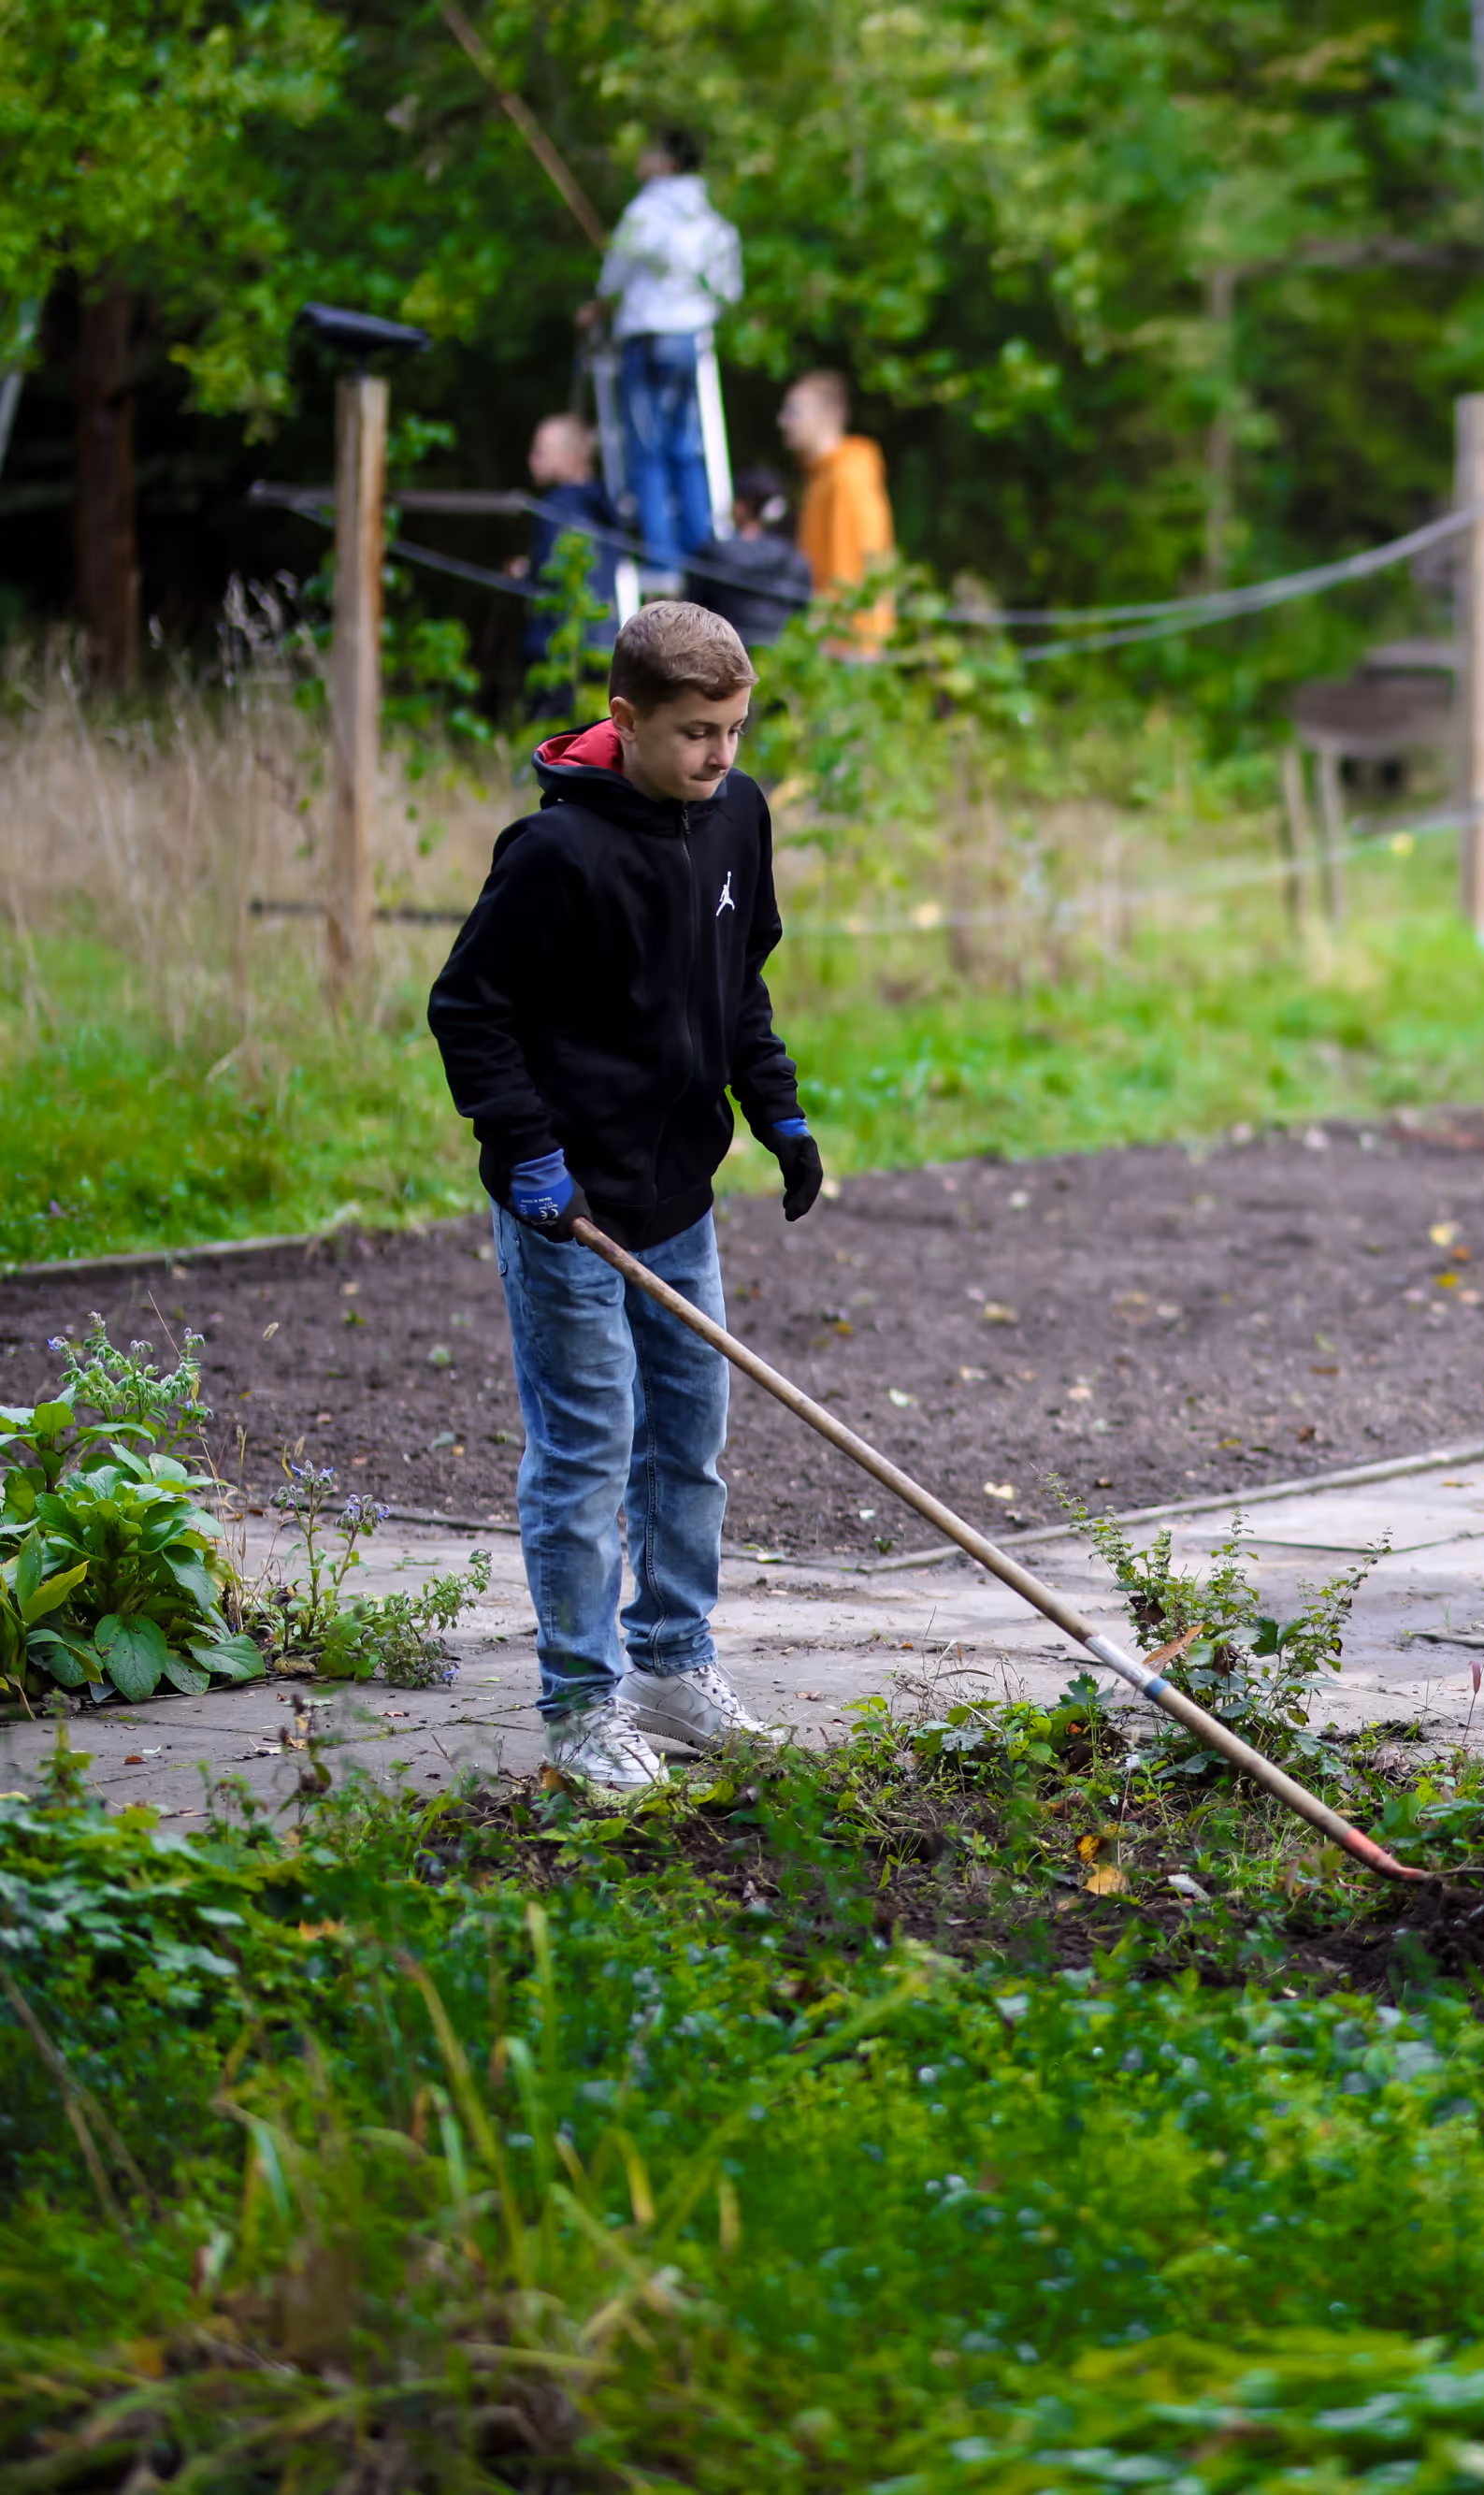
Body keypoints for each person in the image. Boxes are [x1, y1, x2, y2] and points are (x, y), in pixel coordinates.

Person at [426, 600, 828, 1793]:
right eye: (697, 731)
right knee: (588, 1453)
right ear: (625, 719)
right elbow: (469, 1011)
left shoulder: (736, 818)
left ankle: (670, 1664)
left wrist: (778, 1108)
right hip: (568, 1210)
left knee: (688, 1447)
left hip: (676, 1193)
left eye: (737, 728)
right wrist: (528, 1151)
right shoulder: (555, 855)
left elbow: (735, 984)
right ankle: (581, 1702)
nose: (721, 754)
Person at [586, 126, 742, 574]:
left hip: (648, 338)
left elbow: (611, 277)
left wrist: (602, 303)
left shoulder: (645, 213)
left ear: (668, 161)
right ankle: (703, 559)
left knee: (648, 452)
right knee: (690, 449)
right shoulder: (712, 223)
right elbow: (728, 289)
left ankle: (662, 561)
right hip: (692, 341)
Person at [778, 370, 894, 652]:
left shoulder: (846, 477)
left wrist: (835, 634)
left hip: (848, 642)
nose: (782, 422)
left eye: (794, 412)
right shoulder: (823, 477)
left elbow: (851, 566)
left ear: (830, 416)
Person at [510, 411, 625, 674]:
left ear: (569, 456)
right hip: (604, 645)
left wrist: (523, 574)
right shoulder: (605, 510)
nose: (531, 460)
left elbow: (552, 573)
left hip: (558, 647)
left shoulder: (554, 508)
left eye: (540, 452)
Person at [683, 466, 814, 649]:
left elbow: (691, 617)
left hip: (728, 661)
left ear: (742, 507)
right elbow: (804, 614)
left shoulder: (712, 555)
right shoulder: (796, 559)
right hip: (782, 661)